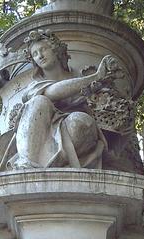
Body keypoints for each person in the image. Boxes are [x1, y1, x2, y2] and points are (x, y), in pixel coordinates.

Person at [7, 29, 114, 170]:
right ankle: (27, 164)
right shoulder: (34, 86)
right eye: (35, 54)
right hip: (42, 132)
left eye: (43, 49)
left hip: (73, 130)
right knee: (39, 101)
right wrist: (95, 77)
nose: (40, 56)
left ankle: (49, 167)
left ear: (56, 50)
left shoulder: (76, 77)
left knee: (81, 121)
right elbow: (52, 92)